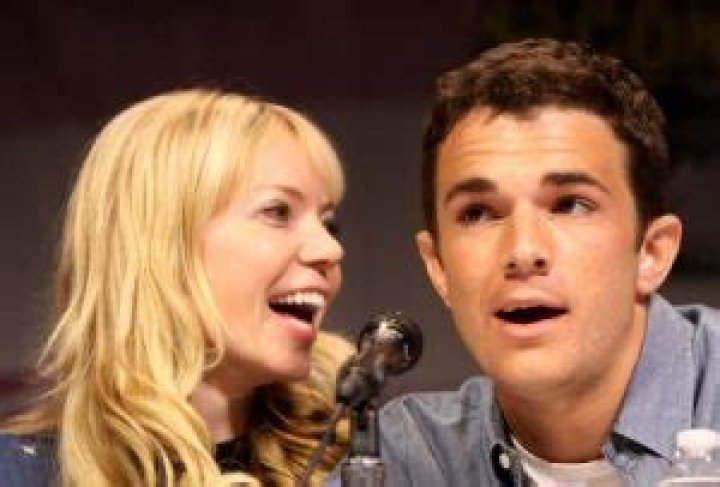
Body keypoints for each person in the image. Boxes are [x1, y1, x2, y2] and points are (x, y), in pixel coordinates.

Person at [379, 38, 720, 486]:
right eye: (478, 213)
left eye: (570, 205)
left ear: (653, 252)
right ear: (438, 266)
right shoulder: (411, 457)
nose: (523, 252)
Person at [0, 89, 354, 486]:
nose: (330, 248)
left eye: (328, 223)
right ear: (160, 245)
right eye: (278, 212)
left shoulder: (363, 459)